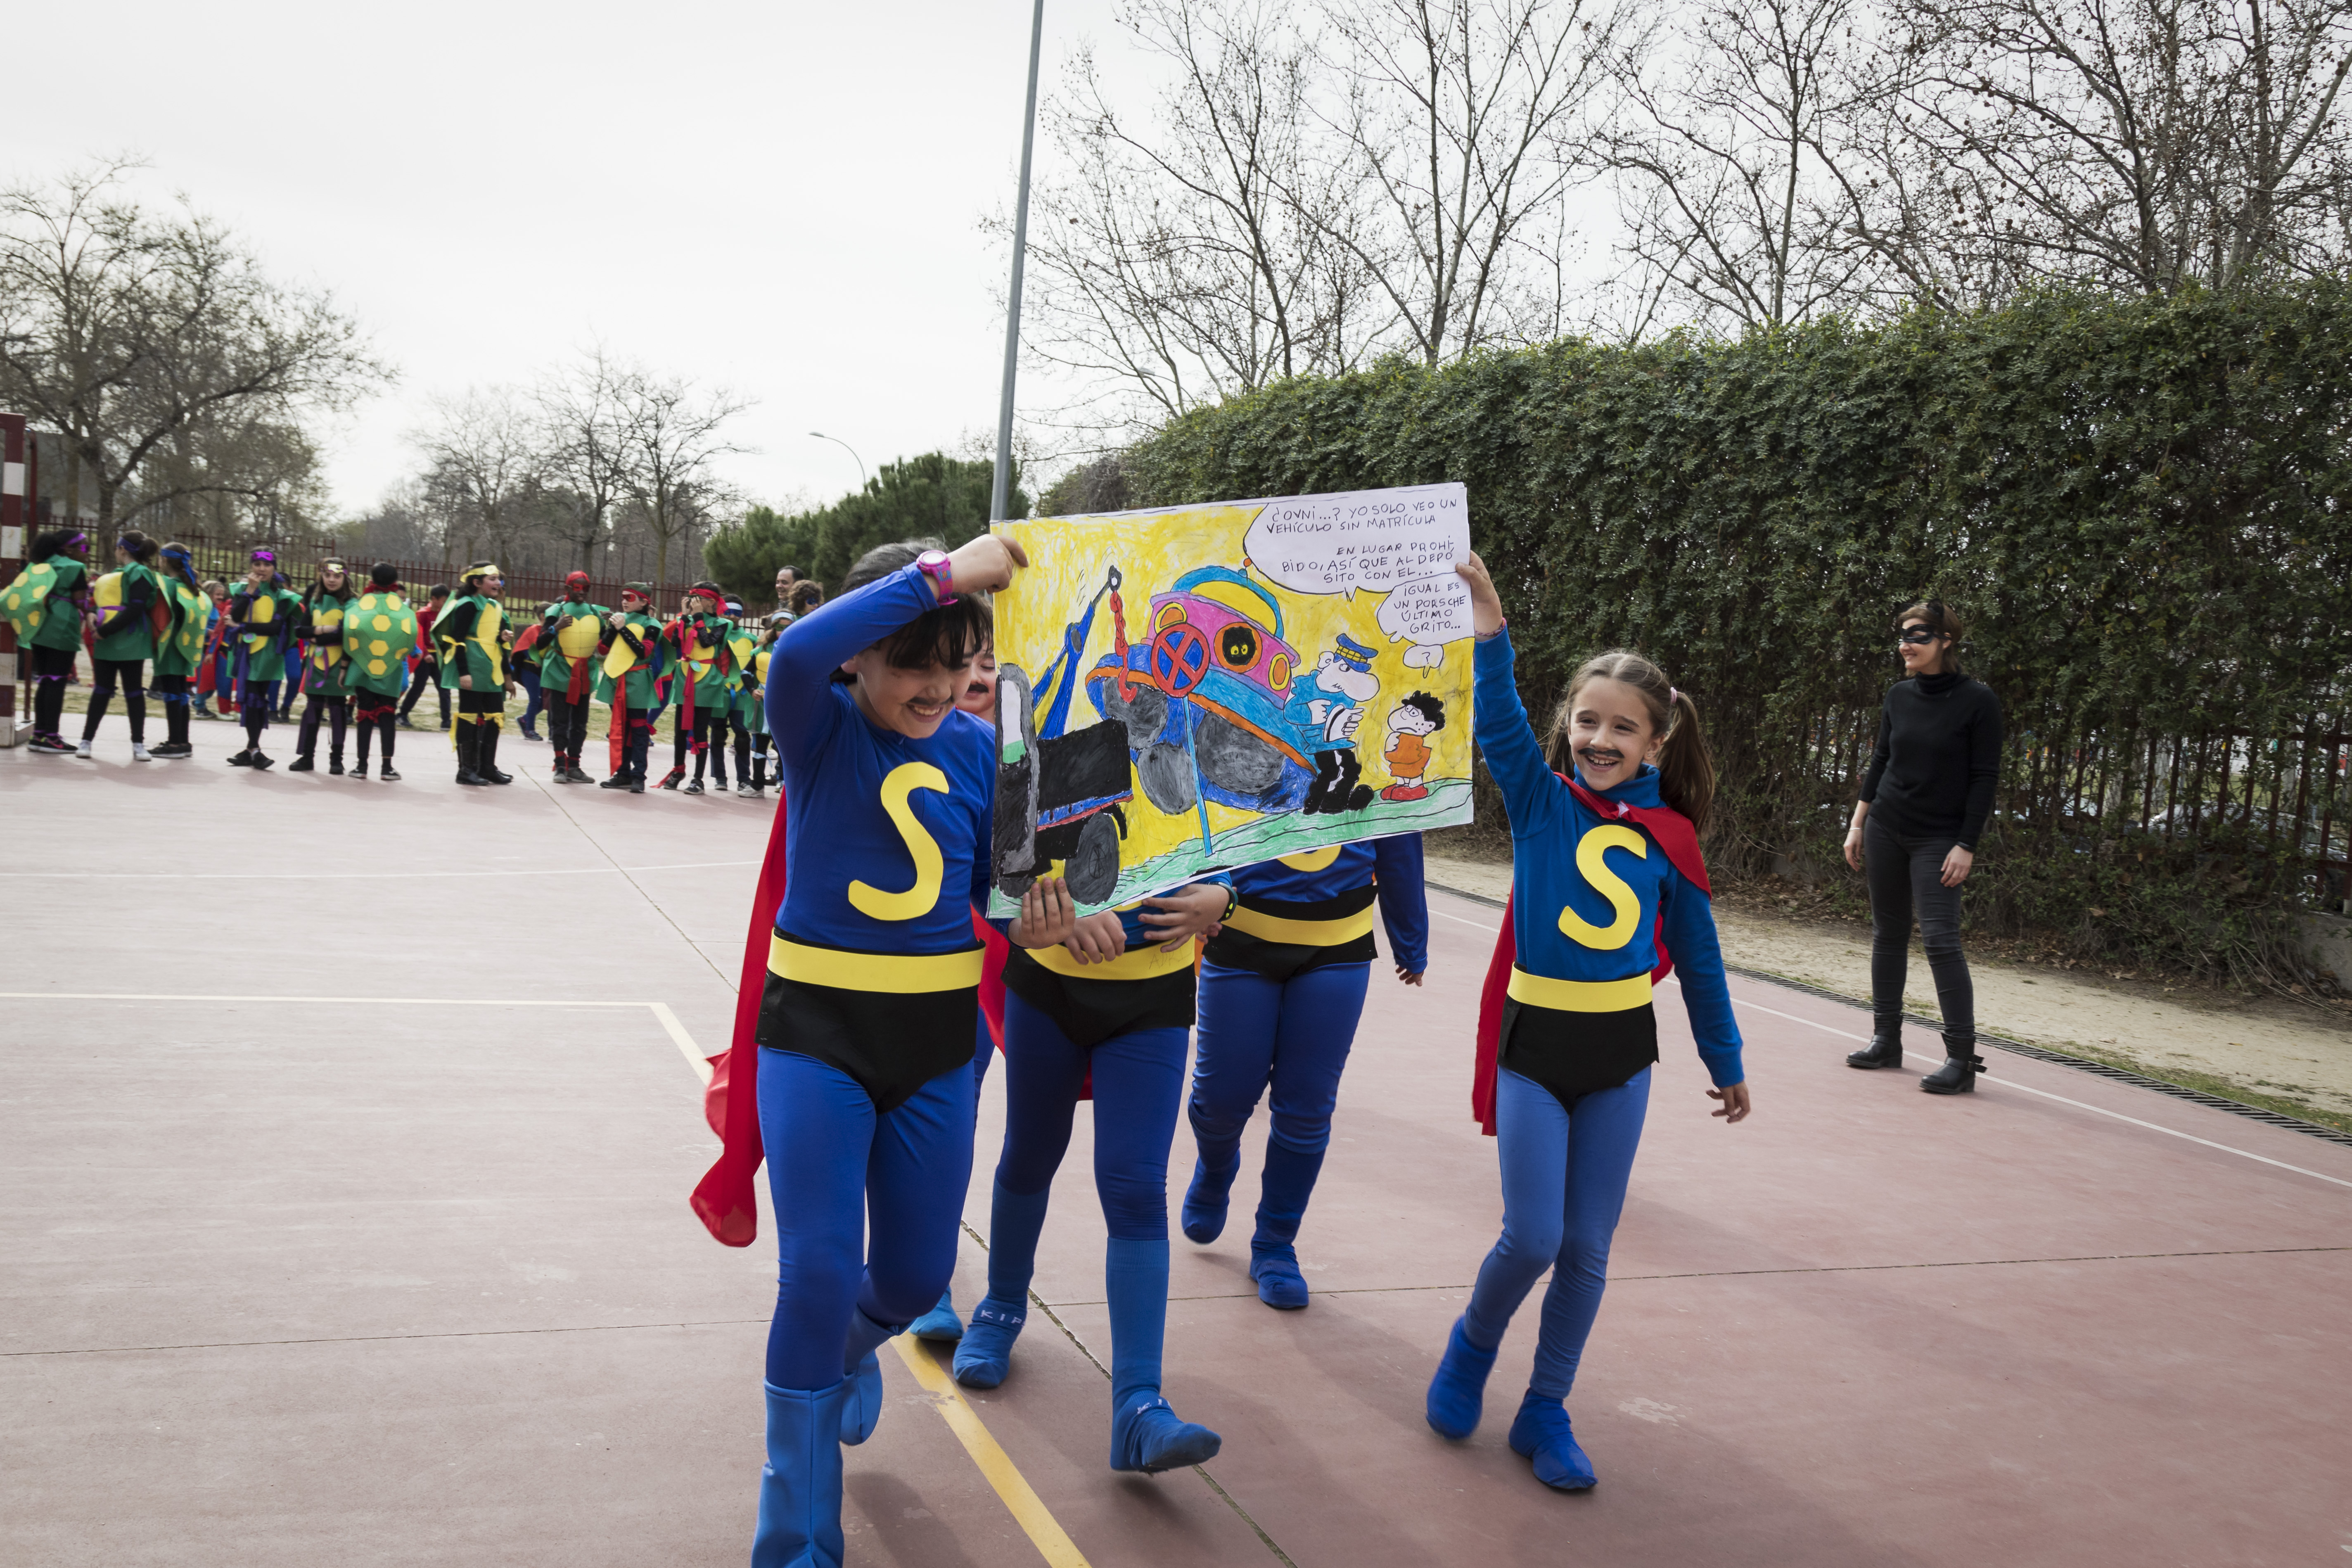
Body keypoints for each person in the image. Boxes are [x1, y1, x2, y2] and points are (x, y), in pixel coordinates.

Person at [748, 532, 1054, 1567]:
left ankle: (842, 1350)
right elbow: (797, 650)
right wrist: (941, 574)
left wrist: (1052, 921)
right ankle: (796, 1532)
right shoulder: (818, 722)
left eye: (959, 663)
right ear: (860, 655)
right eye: (913, 663)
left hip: (933, 1043)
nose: (939, 686)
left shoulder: (984, 752)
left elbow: (996, 897)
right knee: (818, 1267)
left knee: (917, 1271)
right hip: (816, 1036)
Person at [1425, 554, 1750, 1494]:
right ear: (1566, 724)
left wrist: (1725, 1059)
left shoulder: (1671, 839)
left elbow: (1699, 963)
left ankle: (1545, 1407)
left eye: (1621, 727)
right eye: (1586, 719)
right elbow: (1495, 721)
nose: (1599, 738)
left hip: (1620, 1058)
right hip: (1534, 1047)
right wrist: (1491, 628)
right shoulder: (1539, 802)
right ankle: (1469, 1347)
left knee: (1587, 1248)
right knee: (1531, 1235)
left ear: (1655, 743)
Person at [1182, 834, 1429, 1309]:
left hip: (1337, 946)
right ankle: (1215, 1168)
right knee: (1219, 1099)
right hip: (1240, 935)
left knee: (1307, 1106)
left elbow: (1399, 830)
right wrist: (1206, 889)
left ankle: (1275, 1242)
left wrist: (1410, 941)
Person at [1841, 600, 2004, 1094]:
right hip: (1885, 827)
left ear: (1945, 640)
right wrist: (1857, 824)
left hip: (1939, 838)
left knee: (1939, 939)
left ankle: (1960, 1059)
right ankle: (1885, 1040)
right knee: (1888, 934)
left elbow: (1984, 778)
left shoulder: (1978, 701)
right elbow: (1880, 760)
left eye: (1918, 635)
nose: (1905, 644)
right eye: (1902, 634)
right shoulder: (1898, 695)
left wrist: (1965, 844)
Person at [1, 528, 92, 754]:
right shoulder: (75, 568)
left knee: (46, 680)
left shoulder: (38, 565)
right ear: (68, 549)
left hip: (38, 627)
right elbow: (80, 602)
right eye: (84, 547)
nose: (88, 552)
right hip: (62, 628)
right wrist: (93, 611)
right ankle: (51, 737)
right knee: (57, 682)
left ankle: (40, 734)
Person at [79, 530, 165, 761]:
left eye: (117, 548)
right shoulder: (119, 573)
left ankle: (138, 744)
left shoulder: (140, 573)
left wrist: (105, 631)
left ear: (123, 549)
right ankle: (87, 741)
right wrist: (91, 612)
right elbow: (103, 599)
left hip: (129, 638)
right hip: (109, 639)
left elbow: (136, 608)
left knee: (133, 692)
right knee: (102, 691)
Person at [434, 563, 515, 787]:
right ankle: (466, 770)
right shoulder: (468, 604)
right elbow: (458, 639)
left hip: (491, 670)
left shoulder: (493, 606)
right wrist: (464, 673)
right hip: (473, 668)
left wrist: (501, 638)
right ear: (477, 583)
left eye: (499, 579)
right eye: (492, 579)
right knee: (469, 717)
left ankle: (487, 767)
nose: (498, 583)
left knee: (495, 716)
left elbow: (491, 639)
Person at [226, 549, 302, 770]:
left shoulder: (283, 596)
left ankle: (252, 750)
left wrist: (242, 627)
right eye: (257, 564)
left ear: (274, 568)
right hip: (245, 653)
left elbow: (274, 628)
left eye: (267, 565)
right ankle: (254, 750)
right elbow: (235, 614)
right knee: (251, 700)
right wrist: (250, 591)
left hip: (269, 655)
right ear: (251, 566)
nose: (261, 569)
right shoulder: (240, 589)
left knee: (259, 700)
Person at [662, 582, 737, 795]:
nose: (693, 601)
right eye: (691, 597)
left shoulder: (723, 624)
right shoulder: (685, 619)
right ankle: (678, 770)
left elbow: (706, 642)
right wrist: (685, 618)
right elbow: (676, 643)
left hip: (707, 680)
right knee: (680, 730)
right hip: (685, 675)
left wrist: (697, 618)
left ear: (711, 602)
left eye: (698, 598)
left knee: (700, 730)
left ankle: (698, 779)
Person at [346, 565, 419, 781]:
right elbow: (410, 635)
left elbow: (350, 630)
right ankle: (387, 768)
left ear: (372, 580)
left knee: (365, 714)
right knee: (387, 715)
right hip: (392, 668)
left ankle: (362, 766)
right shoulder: (402, 609)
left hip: (363, 666)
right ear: (395, 582)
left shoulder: (361, 605)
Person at [537, 572, 608, 783]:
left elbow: (604, 644)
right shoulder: (555, 611)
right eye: (577, 588)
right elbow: (540, 642)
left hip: (585, 672)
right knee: (560, 722)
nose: (582, 592)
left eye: (586, 588)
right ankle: (560, 766)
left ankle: (575, 766)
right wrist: (555, 627)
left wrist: (612, 627)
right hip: (560, 671)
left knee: (580, 723)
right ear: (567, 589)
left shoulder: (595, 612)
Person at [288, 560, 357, 774]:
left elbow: (346, 632)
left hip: (339, 664)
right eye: (327, 575)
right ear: (321, 576)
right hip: (315, 664)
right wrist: (326, 629)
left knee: (338, 710)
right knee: (312, 709)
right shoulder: (315, 601)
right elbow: (300, 631)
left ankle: (337, 760)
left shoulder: (352, 603)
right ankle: (306, 757)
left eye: (337, 576)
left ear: (345, 577)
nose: (332, 580)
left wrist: (317, 637)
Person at [595, 584, 662, 792]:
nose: (624, 601)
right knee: (620, 728)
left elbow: (643, 652)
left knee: (639, 730)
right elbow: (602, 649)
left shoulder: (652, 625)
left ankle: (638, 776)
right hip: (615, 680)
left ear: (644, 602)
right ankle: (623, 773)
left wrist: (622, 629)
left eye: (630, 598)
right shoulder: (619, 619)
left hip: (638, 681)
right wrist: (610, 628)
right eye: (623, 597)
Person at [147, 543, 211, 759]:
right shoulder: (191, 586)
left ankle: (174, 744)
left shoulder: (167, 585)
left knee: (171, 694)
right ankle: (183, 742)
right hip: (186, 645)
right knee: (181, 693)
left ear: (164, 560)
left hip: (169, 644)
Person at [398, 586, 452, 730]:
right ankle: (402, 714)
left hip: (438, 657)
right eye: (444, 601)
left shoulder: (443, 614)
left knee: (444, 688)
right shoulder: (422, 614)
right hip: (424, 658)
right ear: (434, 599)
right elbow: (417, 637)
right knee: (419, 687)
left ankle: (446, 721)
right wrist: (426, 654)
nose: (445, 604)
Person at [194, 579, 231, 720]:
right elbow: (195, 625)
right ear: (208, 593)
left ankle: (198, 702)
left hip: (212, 649)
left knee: (210, 680)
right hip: (203, 648)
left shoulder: (214, 608)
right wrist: (208, 632)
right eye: (218, 594)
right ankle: (200, 707)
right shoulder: (204, 607)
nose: (221, 597)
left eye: (222, 594)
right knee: (204, 679)